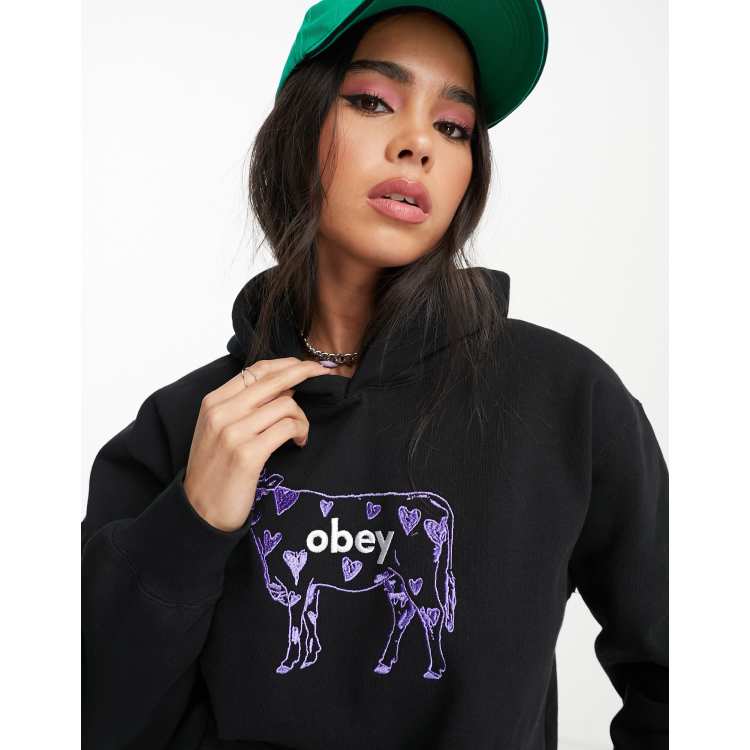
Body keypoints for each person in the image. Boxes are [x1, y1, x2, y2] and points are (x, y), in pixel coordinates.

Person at [82, 2, 668, 749]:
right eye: (372, 101)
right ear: (299, 129)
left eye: (453, 126)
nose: (418, 143)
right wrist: (190, 526)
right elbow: (87, 719)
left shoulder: (567, 400)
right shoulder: (185, 426)